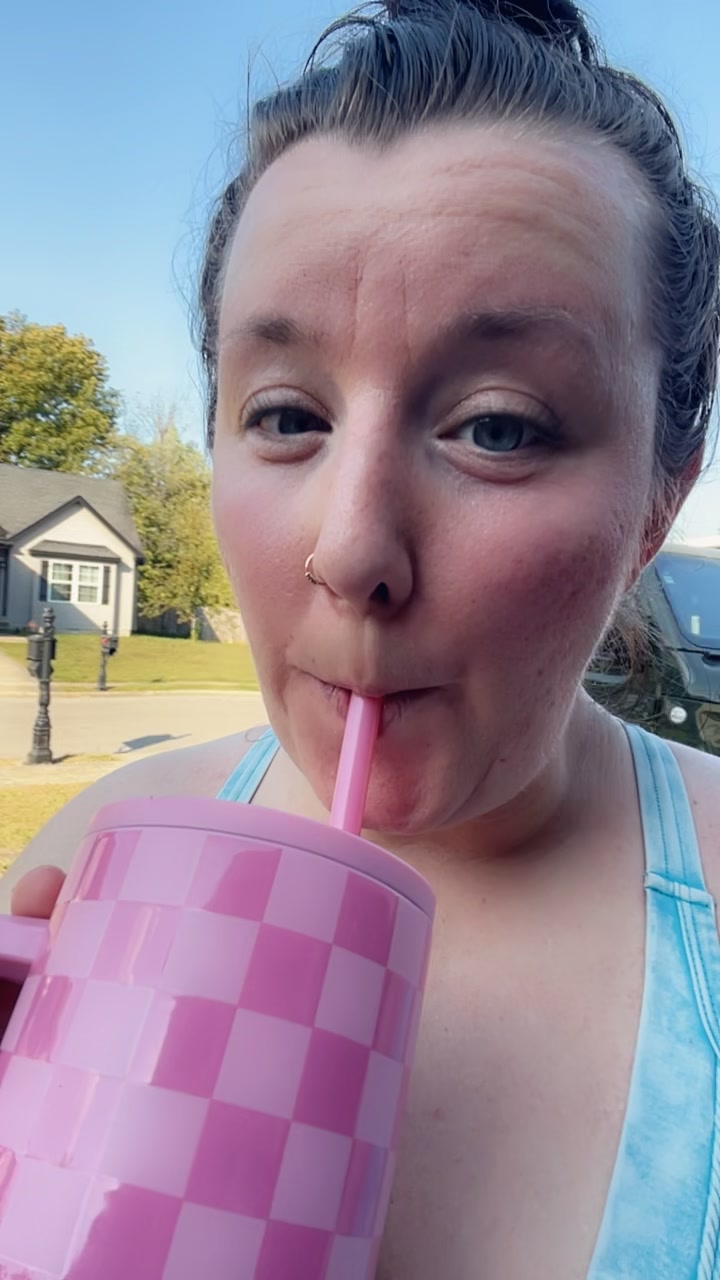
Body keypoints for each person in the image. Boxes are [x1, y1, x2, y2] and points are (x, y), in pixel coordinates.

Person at [3, 0, 720, 1274]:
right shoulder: (98, 856)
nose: (349, 550)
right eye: (287, 415)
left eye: (498, 427)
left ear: (660, 497)